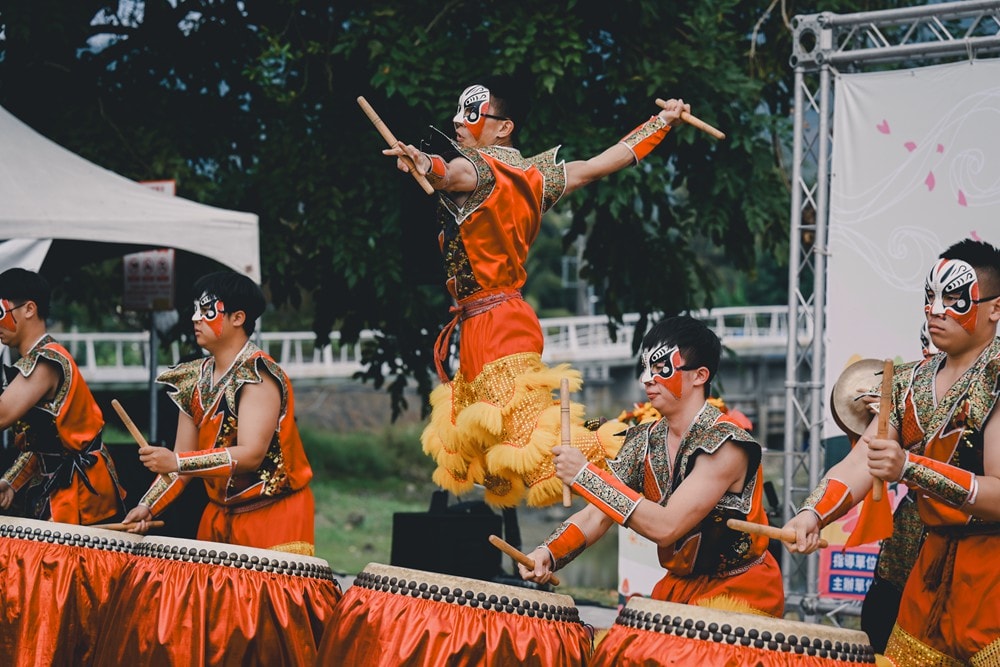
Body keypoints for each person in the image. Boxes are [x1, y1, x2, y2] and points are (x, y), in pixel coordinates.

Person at [384, 74, 691, 508]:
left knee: (533, 440)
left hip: (497, 326)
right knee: (491, 446)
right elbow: (603, 162)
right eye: (458, 111)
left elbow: (450, 172)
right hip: (482, 322)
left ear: (503, 126)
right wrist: (661, 123)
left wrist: (425, 163)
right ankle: (635, 451)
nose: (458, 121)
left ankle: (637, 449)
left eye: (470, 114)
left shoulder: (482, 168)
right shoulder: (535, 175)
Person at [785, 239, 1000, 664]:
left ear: (995, 307)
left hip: (990, 576)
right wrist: (812, 513)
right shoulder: (905, 383)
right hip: (925, 574)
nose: (936, 310)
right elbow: (861, 461)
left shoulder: (997, 375)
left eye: (955, 299)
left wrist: (908, 466)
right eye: (930, 298)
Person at [519, 315, 784, 616]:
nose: (646, 379)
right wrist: (549, 552)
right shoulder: (645, 439)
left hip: (739, 592)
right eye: (646, 368)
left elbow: (667, 526)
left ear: (699, 376)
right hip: (678, 587)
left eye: (660, 369)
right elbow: (597, 514)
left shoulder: (726, 445)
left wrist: (585, 476)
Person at [123, 271, 316, 555]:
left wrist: (176, 462)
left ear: (237, 318)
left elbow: (250, 455)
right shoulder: (193, 379)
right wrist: (147, 506)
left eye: (206, 310)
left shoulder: (258, 375)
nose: (195, 318)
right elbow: (181, 462)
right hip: (218, 515)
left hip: (272, 515)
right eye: (195, 310)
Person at [0, 268, 126, 523]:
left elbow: (2, 414)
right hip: (59, 486)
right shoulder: (35, 359)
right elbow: (43, 445)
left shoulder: (46, 361)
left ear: (29, 309)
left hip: (80, 492)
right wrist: (10, 481)